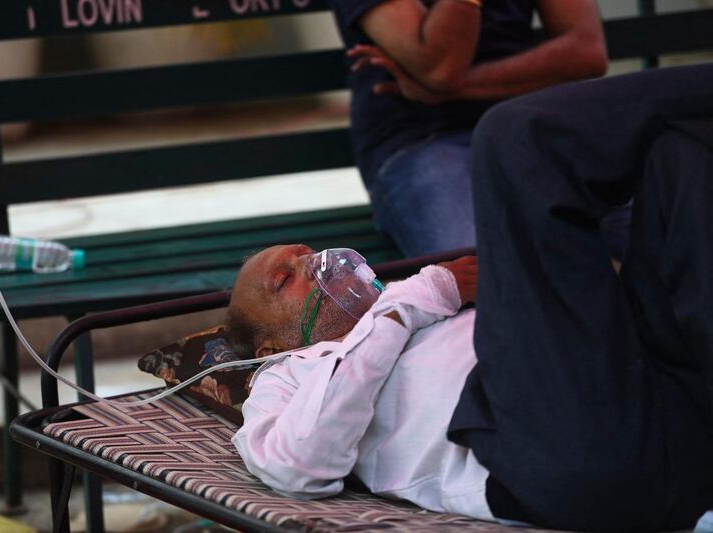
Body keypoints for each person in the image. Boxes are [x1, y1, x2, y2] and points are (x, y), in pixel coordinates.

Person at [228, 63, 713, 531]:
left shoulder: (420, 304)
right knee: (512, 137)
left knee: (679, 151)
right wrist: (416, 297)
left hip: (668, 395)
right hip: (565, 452)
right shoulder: (286, 377)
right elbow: (299, 468)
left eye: (307, 253)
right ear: (272, 347)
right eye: (283, 279)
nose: (314, 267)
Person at [330, 0, 615, 257]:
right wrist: (445, 86)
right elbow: (441, 67)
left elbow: (587, 50)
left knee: (647, 231)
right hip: (420, 141)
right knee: (480, 274)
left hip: (523, 128)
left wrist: (457, 89)